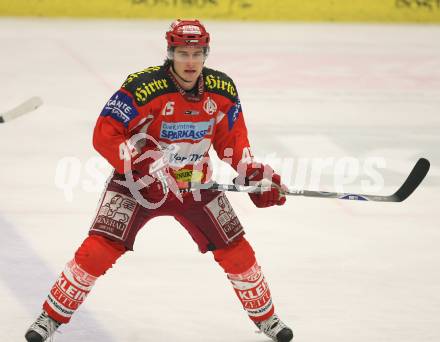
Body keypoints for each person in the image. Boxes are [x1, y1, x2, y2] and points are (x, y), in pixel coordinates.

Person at [25, 19, 294, 342]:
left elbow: (233, 141)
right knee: (97, 250)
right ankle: (50, 318)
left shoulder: (222, 90)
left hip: (197, 185)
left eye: (197, 53)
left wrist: (252, 174)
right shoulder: (143, 87)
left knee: (237, 251)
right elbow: (106, 132)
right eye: (183, 53)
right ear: (170, 53)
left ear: (206, 54)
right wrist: (139, 166)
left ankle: (267, 318)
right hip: (139, 186)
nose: (191, 61)